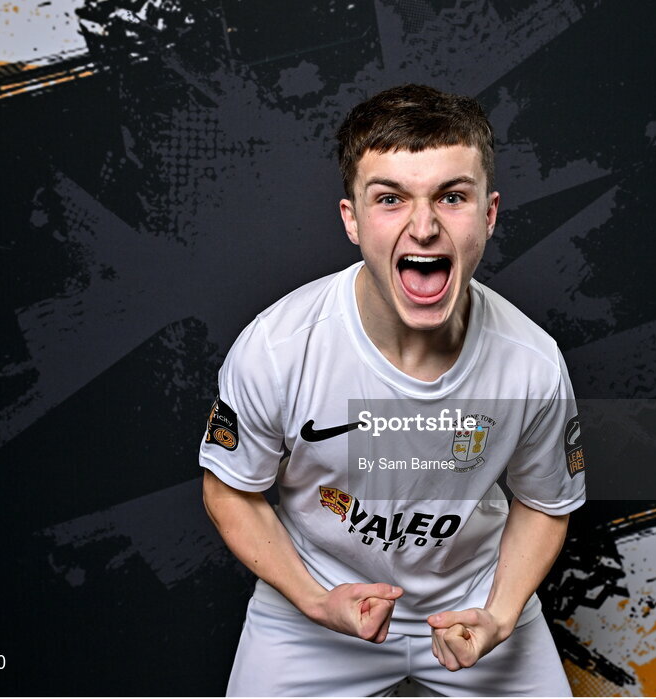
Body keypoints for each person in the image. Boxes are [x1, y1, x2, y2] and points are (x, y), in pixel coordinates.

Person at [199, 84, 586, 697]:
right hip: (315, 610)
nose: (424, 227)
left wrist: (500, 613)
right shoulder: (279, 347)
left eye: (452, 197)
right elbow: (230, 490)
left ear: (488, 213)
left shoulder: (530, 363)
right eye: (390, 199)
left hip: (473, 606)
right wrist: (315, 600)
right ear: (351, 218)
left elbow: (545, 502)